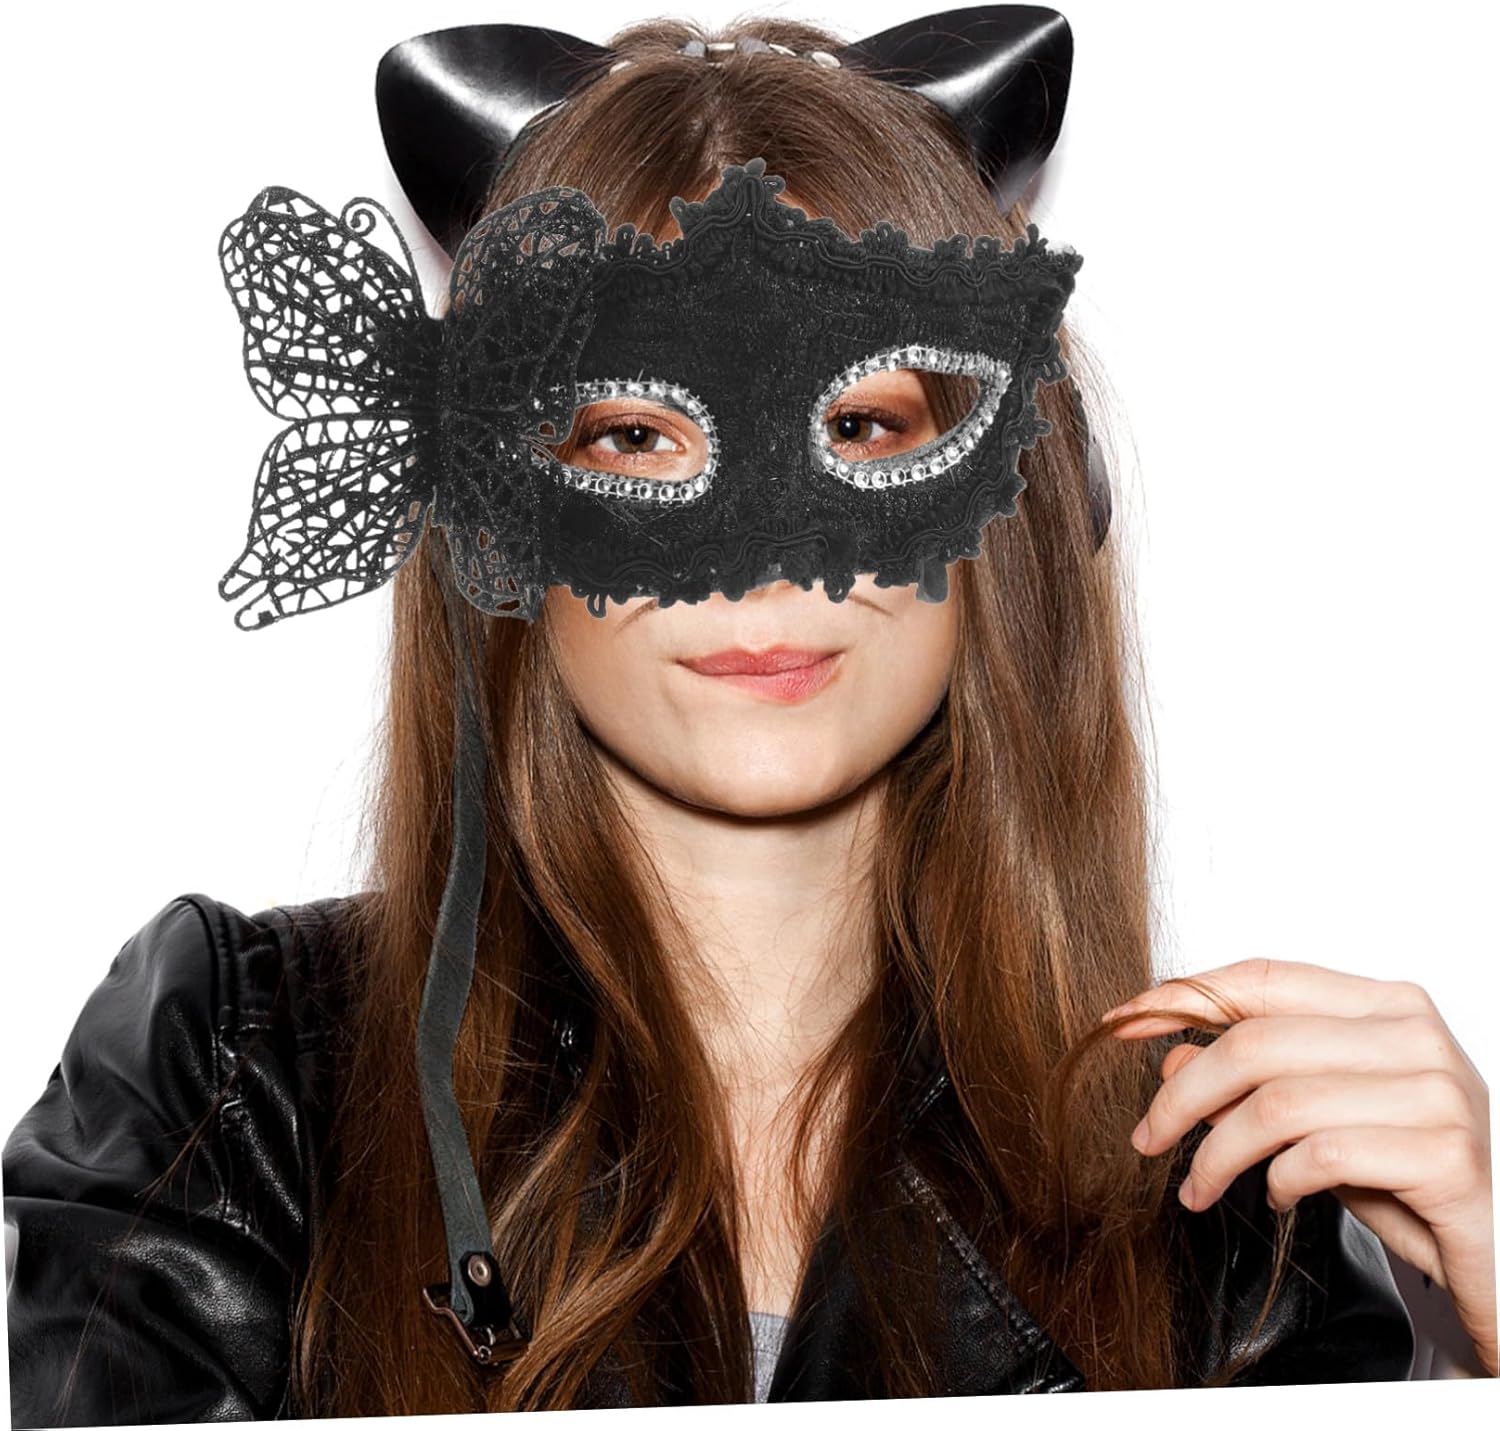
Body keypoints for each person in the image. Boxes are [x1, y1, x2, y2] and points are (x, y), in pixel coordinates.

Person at [4, 10, 1494, 1422]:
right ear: (496, 517)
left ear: (1011, 506)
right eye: (636, 435)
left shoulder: (1213, 1178)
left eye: (861, 425)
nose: (770, 562)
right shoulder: (240, 1080)